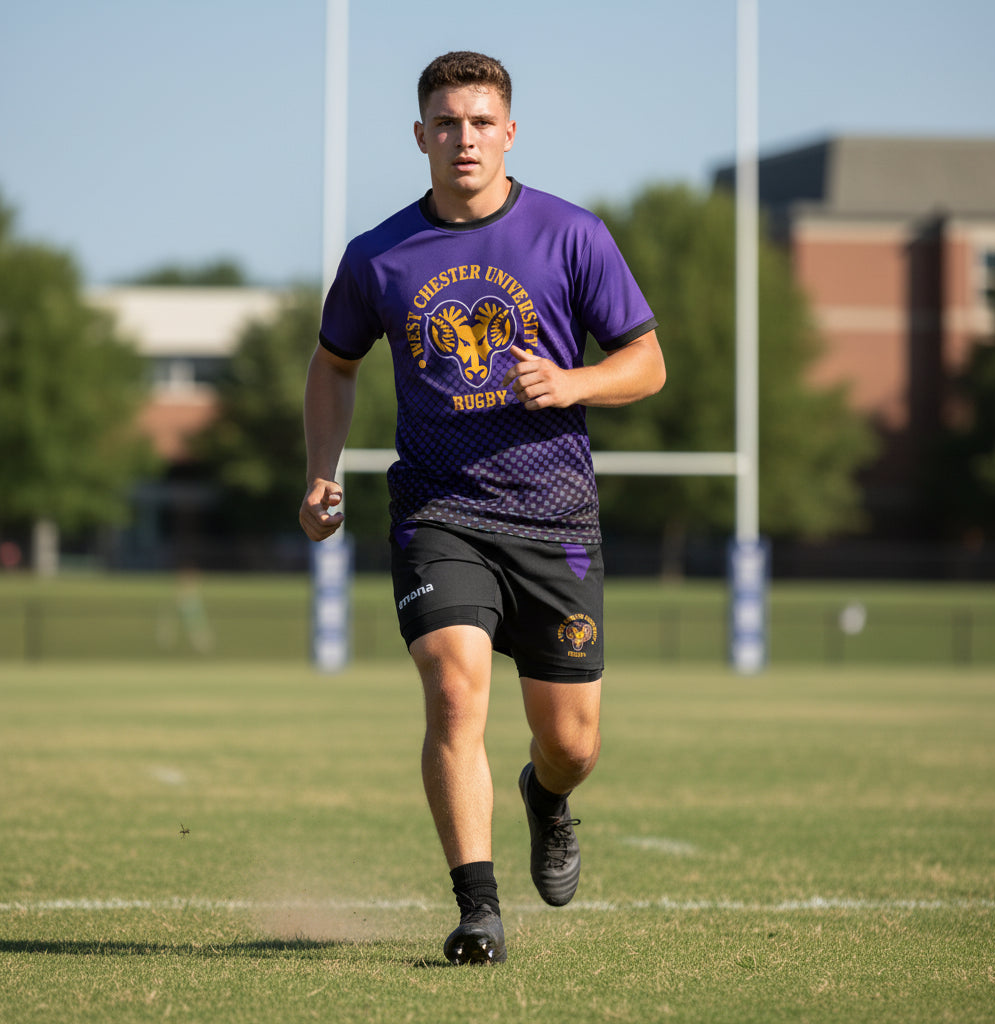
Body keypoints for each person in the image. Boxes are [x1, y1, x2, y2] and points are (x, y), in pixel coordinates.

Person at [300, 51, 665, 965]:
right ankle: (478, 911)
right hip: (440, 511)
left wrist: (574, 378)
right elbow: (333, 365)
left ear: (510, 132)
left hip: (554, 518)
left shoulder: (572, 235)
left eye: (480, 121)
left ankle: (547, 800)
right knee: (456, 694)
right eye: (447, 123)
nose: (464, 138)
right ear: (421, 136)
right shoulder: (376, 255)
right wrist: (319, 469)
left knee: (571, 743)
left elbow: (647, 363)